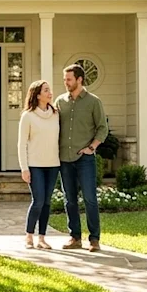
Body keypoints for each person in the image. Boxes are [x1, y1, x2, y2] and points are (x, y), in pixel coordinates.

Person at [55, 63, 108, 251]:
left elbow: (102, 127)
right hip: (65, 158)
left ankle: (94, 239)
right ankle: (74, 237)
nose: (66, 82)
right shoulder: (60, 101)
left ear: (79, 79)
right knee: (69, 200)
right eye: (64, 79)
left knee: (89, 198)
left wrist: (92, 147)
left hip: (84, 158)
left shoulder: (93, 102)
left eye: (68, 79)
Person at [18, 80, 61, 249]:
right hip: (35, 165)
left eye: (50, 89)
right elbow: (21, 144)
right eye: (46, 90)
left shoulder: (56, 114)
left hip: (53, 164)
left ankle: (42, 238)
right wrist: (24, 168)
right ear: (37, 95)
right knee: (38, 201)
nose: (50, 93)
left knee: (47, 202)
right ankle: (29, 235)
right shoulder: (27, 116)